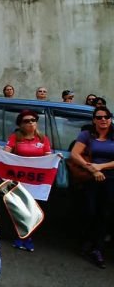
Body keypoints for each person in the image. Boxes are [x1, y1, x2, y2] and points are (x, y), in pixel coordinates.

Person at [69, 106, 114, 269]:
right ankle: (86, 242)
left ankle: (98, 249)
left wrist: (101, 167)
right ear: (94, 120)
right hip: (90, 178)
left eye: (106, 117)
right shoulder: (87, 135)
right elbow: (75, 154)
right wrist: (92, 169)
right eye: (99, 117)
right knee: (90, 211)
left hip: (110, 179)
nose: (103, 120)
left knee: (106, 214)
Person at [4, 109, 51, 251]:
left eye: (33, 120)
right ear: (20, 124)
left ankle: (28, 237)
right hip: (19, 180)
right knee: (19, 208)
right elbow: (6, 154)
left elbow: (48, 157)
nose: (30, 123)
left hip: (36, 182)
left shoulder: (43, 139)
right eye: (26, 121)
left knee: (33, 209)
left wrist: (56, 158)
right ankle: (20, 236)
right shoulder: (15, 137)